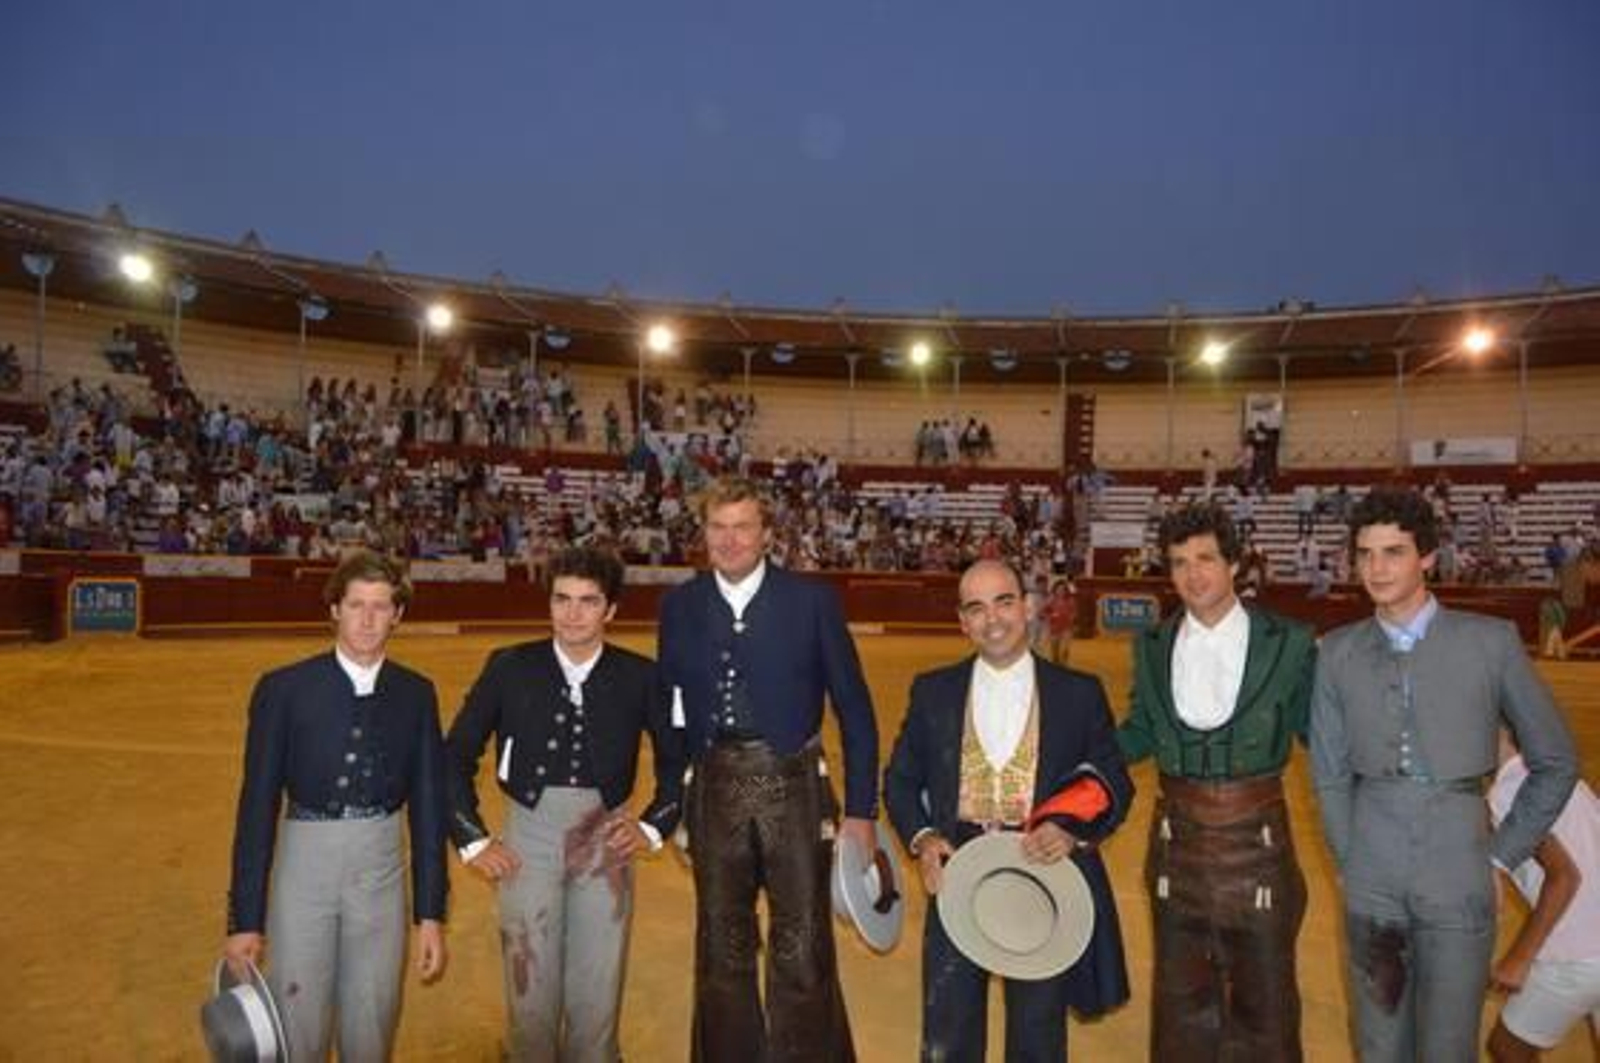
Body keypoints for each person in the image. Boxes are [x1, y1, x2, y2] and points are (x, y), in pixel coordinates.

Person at [1310, 487, 1578, 1062]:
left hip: (1461, 865)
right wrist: (1349, 859)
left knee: (1448, 1049)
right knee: (1378, 1046)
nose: (1376, 568)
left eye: (1394, 552)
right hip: (1371, 869)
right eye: (1365, 553)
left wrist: (1502, 853)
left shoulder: (1490, 642)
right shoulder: (1335, 652)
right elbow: (1329, 774)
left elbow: (1555, 761)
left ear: (1427, 558)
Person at [656, 476, 880, 1061]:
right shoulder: (678, 606)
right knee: (722, 948)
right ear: (703, 535)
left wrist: (860, 810)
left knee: (802, 945)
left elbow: (854, 708)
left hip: (795, 784)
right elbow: (672, 714)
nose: (729, 540)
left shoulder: (811, 601)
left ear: (767, 536)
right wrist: (674, 807)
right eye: (718, 528)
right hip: (713, 786)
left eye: (743, 527)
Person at [884, 559, 1133, 1061]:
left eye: (1003, 601)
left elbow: (1114, 784)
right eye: (976, 608)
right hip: (958, 875)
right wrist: (925, 839)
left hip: (1040, 877)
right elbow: (901, 780)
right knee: (949, 1028)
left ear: (1027, 606)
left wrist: (1068, 831)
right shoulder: (933, 690)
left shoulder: (1078, 693)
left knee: (1038, 1030)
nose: (992, 618)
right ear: (962, 621)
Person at [445, 546, 685, 1062]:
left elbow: (678, 762)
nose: (573, 613)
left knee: (599, 974)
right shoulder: (509, 666)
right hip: (528, 832)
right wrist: (473, 838)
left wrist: (652, 826)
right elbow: (455, 756)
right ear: (549, 603)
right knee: (527, 971)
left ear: (610, 610)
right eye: (562, 600)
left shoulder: (641, 675)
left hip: (607, 834)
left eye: (588, 601)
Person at [224, 550, 448, 1061]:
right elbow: (257, 805)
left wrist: (430, 914)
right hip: (305, 866)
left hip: (382, 867)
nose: (368, 620)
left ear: (399, 615)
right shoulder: (283, 689)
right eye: (356, 606)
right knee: (297, 1016)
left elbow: (429, 808)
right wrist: (244, 918)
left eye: (380, 607)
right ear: (334, 610)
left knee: (373, 1015)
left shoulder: (416, 693)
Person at [1117, 502, 1317, 1060]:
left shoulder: (1290, 642)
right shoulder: (1151, 645)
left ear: (1234, 565)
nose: (1192, 574)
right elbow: (1138, 733)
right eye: (1179, 562)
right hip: (1175, 845)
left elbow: (1324, 741)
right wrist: (1074, 761)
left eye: (1205, 558)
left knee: (1267, 1008)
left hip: (1258, 844)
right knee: (1180, 1008)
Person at [1485, 729, 1600, 1061]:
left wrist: (1518, 959)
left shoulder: (1510, 791)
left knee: (1507, 1049)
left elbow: (1564, 878)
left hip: (1578, 956)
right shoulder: (1558, 775)